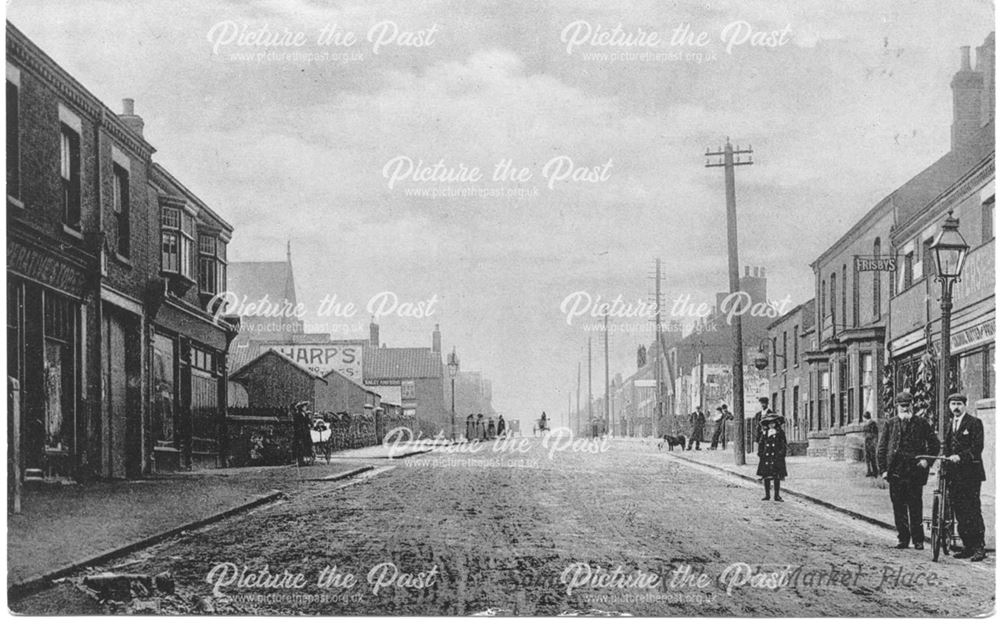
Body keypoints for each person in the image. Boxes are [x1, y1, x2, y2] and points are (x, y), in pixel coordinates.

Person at [877, 391, 940, 550]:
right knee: (898, 507)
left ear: (912, 405)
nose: (905, 408)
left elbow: (935, 445)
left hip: (914, 472)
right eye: (902, 406)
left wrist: (927, 460)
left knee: (915, 506)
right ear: (897, 407)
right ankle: (903, 539)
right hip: (896, 471)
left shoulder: (922, 423)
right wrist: (883, 470)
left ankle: (918, 540)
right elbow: (882, 448)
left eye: (908, 405)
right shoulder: (890, 424)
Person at [942, 393, 986, 561]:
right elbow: (946, 446)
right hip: (954, 475)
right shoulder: (950, 424)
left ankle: (978, 548)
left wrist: (960, 457)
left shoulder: (974, 423)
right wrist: (945, 460)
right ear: (949, 406)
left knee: (972, 509)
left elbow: (977, 447)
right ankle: (967, 546)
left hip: (971, 475)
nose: (956, 407)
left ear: (965, 405)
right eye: (953, 404)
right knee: (959, 511)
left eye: (959, 404)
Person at [756, 414, 787, 501]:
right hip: (766, 457)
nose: (771, 425)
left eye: (773, 423)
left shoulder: (780, 433)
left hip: (776, 457)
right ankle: (767, 495)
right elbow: (761, 444)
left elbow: (783, 444)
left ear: (776, 423)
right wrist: (760, 453)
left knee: (776, 477)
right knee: (766, 477)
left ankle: (777, 495)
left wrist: (781, 453)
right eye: (769, 423)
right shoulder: (765, 433)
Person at [291, 401, 314, 466]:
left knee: (307, 446)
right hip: (300, 433)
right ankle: (300, 461)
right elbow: (297, 425)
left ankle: (307, 460)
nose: (306, 408)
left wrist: (310, 424)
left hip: (306, 433)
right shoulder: (297, 415)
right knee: (300, 447)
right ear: (301, 408)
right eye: (304, 407)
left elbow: (309, 422)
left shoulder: (305, 415)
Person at [862, 411, 880, 477]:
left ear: (865, 417)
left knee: (872, 457)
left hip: (871, 442)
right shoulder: (865, 424)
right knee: (867, 457)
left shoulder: (873, 424)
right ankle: (869, 471)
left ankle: (875, 471)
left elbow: (875, 434)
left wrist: (875, 442)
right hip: (867, 442)